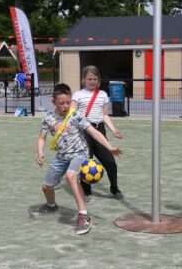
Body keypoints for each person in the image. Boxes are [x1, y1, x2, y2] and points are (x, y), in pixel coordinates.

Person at [35, 83, 122, 235]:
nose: (65, 105)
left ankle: (84, 215)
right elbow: (41, 138)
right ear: (53, 102)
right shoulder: (48, 118)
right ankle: (52, 206)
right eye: (61, 103)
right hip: (61, 157)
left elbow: (94, 133)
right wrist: (40, 152)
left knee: (70, 176)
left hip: (79, 154)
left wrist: (110, 147)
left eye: (68, 102)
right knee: (46, 187)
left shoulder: (76, 115)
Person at [70, 65, 124, 200]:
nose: (92, 81)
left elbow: (104, 115)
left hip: (99, 130)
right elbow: (71, 113)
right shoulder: (78, 95)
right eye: (89, 79)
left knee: (110, 161)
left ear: (98, 80)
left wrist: (113, 130)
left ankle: (115, 188)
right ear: (83, 80)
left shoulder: (103, 95)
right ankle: (86, 191)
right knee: (85, 162)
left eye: (95, 79)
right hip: (83, 131)